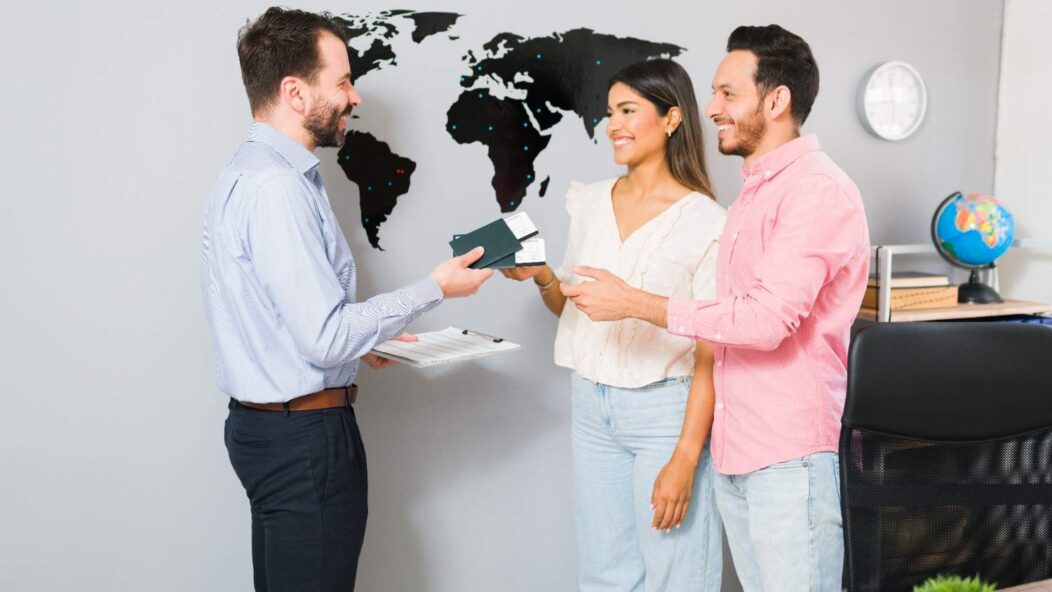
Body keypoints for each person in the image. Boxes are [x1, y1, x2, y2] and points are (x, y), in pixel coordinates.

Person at [561, 26, 870, 591]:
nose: (712, 108)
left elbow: (764, 320)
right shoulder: (756, 192)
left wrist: (634, 303)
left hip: (788, 456)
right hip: (737, 450)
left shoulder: (816, 191)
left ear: (776, 100)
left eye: (728, 94)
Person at [200, 8, 492, 591]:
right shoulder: (278, 188)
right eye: (342, 81)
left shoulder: (247, 171)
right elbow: (324, 334)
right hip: (303, 444)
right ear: (294, 91)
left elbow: (279, 324)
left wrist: (366, 344)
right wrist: (436, 287)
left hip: (271, 434)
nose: (354, 97)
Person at [502, 59, 725, 591]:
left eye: (629, 110)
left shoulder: (708, 222)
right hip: (592, 407)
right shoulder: (590, 202)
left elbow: (712, 350)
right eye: (609, 113)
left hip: (665, 412)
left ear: (672, 119)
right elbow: (576, 307)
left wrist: (686, 457)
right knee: (604, 574)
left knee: (677, 575)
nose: (613, 125)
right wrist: (541, 278)